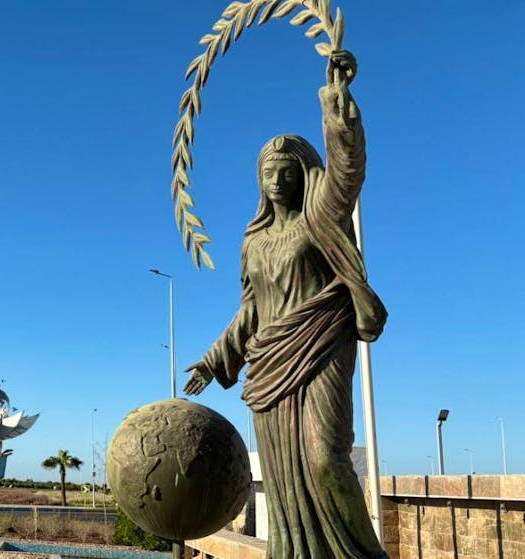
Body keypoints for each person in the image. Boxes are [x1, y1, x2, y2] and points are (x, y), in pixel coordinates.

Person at [183, 50, 387, 559]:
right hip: (269, 360)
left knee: (324, 459)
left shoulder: (319, 217)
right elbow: (251, 310)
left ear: (301, 173)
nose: (277, 181)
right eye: (268, 173)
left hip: (321, 344)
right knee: (282, 475)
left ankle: (362, 555)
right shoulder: (252, 242)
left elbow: (346, 173)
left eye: (286, 171)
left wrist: (335, 103)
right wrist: (214, 359)